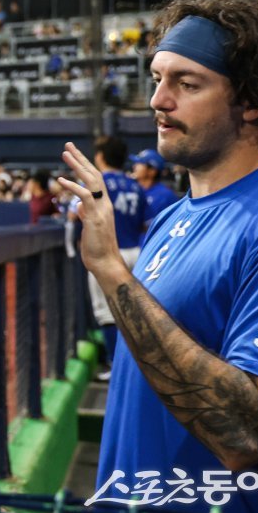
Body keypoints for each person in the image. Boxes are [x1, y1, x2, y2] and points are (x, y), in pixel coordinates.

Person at [61, 0, 258, 513]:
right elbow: (142, 395)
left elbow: (248, 433)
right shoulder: (174, 217)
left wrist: (111, 272)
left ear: (257, 99)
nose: (158, 100)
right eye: (156, 78)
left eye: (187, 84)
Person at [79, 135, 145, 366]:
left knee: (107, 314)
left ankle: (115, 364)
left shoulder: (97, 182)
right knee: (135, 313)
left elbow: (74, 212)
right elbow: (144, 223)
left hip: (108, 254)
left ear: (100, 156)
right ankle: (134, 365)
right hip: (136, 252)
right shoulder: (135, 184)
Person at [130, 147, 178, 223]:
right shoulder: (131, 189)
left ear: (152, 171)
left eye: (140, 163)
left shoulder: (166, 196)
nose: (134, 166)